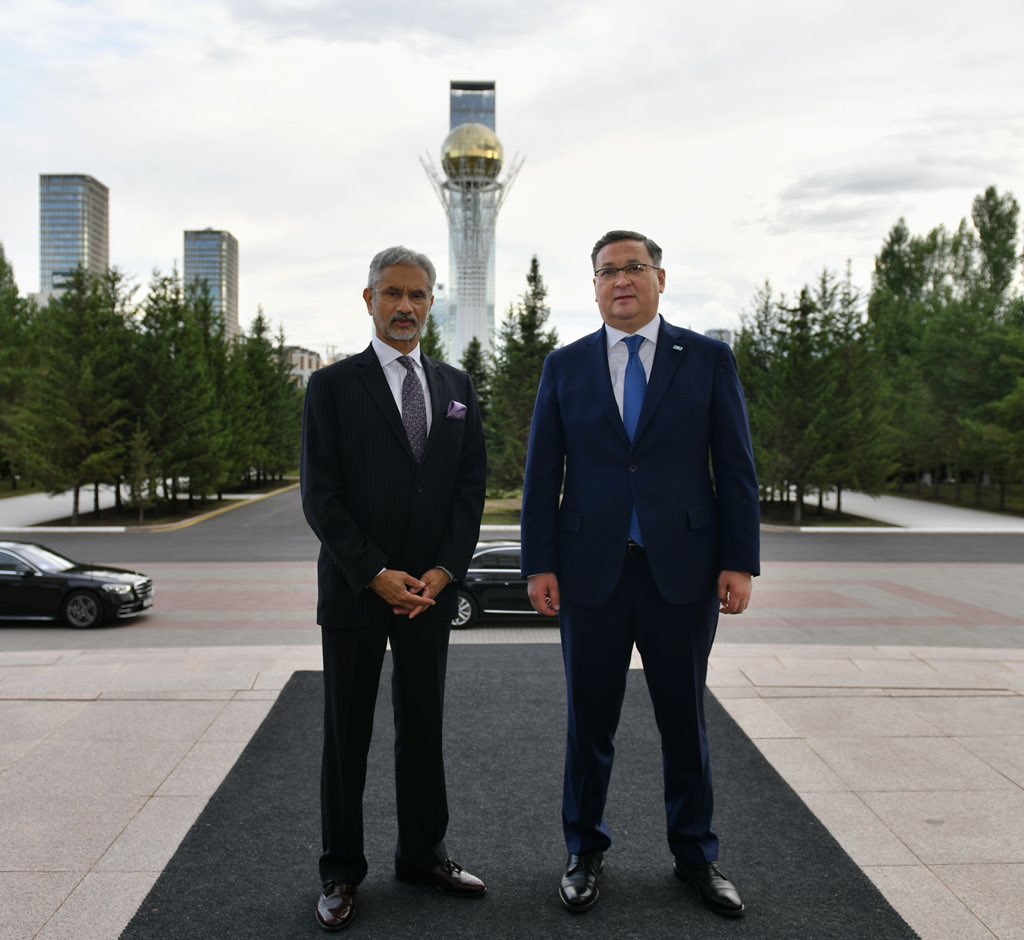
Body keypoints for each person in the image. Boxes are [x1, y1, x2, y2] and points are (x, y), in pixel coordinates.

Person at [520, 230, 760, 918]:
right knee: (588, 724)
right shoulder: (563, 367)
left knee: (685, 722)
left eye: (634, 268)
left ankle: (696, 855)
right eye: (607, 272)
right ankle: (583, 850)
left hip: (682, 575)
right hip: (589, 573)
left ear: (660, 278)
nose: (620, 280)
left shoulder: (708, 359)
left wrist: (739, 561)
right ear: (593, 286)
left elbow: (736, 469)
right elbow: (542, 477)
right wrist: (539, 562)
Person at [301, 246, 488, 932]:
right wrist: (376, 574)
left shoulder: (458, 385)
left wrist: (444, 569)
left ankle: (422, 854)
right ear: (369, 299)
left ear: (431, 302)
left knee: (423, 726)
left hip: (431, 594)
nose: (405, 306)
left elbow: (469, 493)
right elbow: (321, 498)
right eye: (392, 294)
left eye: (417, 295)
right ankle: (340, 871)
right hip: (358, 590)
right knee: (346, 734)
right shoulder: (331, 387)